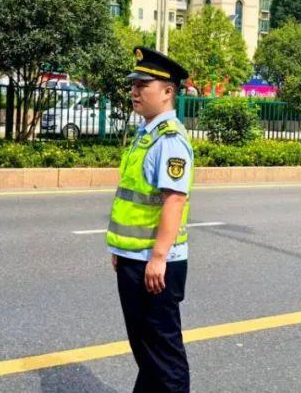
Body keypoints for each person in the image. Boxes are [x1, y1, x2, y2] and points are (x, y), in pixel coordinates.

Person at [108, 46, 194, 393]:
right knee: (147, 352)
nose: (135, 91)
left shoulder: (169, 140)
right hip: (136, 258)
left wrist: (158, 257)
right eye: (134, 84)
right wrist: (122, 250)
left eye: (143, 85)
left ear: (168, 91)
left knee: (164, 356)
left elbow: (174, 200)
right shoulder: (146, 135)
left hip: (156, 265)